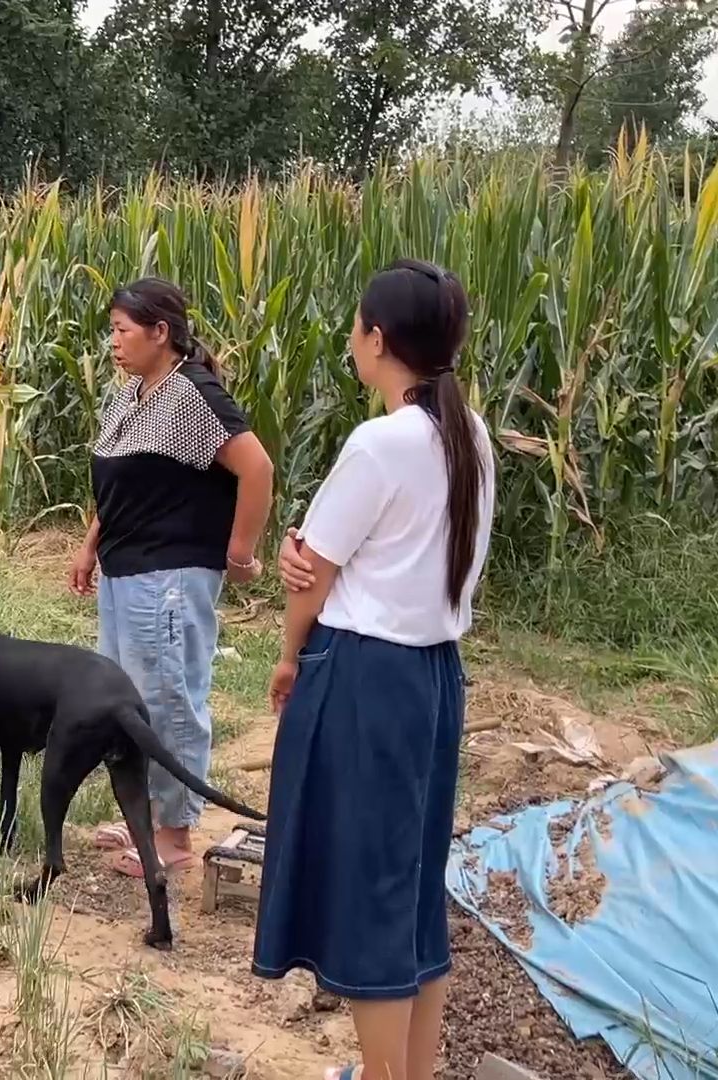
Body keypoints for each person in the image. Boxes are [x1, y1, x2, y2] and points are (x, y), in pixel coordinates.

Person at [252, 259, 495, 1080]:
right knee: (410, 888)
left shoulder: (382, 442)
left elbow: (312, 571)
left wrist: (290, 656)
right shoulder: (471, 436)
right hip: (433, 679)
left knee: (364, 892)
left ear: (379, 340)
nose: (352, 342)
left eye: (357, 328)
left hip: (364, 678)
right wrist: (312, 561)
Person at [68, 278, 274, 875]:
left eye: (123, 331)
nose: (113, 343)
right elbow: (119, 485)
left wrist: (239, 554)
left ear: (161, 333)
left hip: (170, 576)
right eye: (112, 330)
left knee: (167, 703)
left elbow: (256, 467)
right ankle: (144, 818)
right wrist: (89, 547)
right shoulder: (134, 394)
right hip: (124, 571)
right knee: (125, 702)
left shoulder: (192, 395)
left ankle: (176, 835)